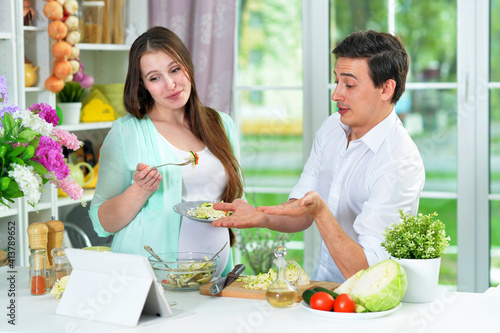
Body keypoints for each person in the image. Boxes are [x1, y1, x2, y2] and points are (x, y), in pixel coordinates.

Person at [213, 30, 425, 283]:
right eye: (337, 81)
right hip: (323, 288)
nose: (336, 94)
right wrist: (262, 216)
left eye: (349, 84)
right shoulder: (333, 127)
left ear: (386, 89)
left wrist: (321, 212)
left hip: (367, 303)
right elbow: (302, 211)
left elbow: (368, 274)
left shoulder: (400, 162)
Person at [89, 26, 244, 276]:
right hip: (149, 278)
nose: (170, 84)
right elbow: (102, 222)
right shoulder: (126, 133)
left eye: (175, 69)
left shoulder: (222, 124)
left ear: (188, 65)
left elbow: (235, 198)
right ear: (143, 84)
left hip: (215, 276)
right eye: (154, 77)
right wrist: (139, 190)